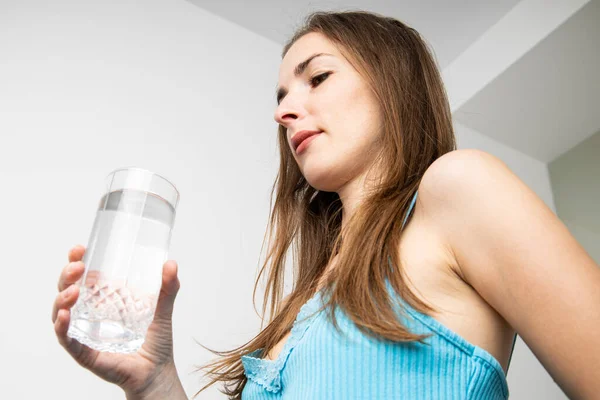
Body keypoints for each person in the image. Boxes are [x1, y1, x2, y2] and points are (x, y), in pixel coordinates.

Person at [52, 10, 600, 400]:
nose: (285, 111)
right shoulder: (311, 299)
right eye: (282, 97)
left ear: (393, 85)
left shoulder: (457, 189)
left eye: (316, 77)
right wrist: (152, 380)